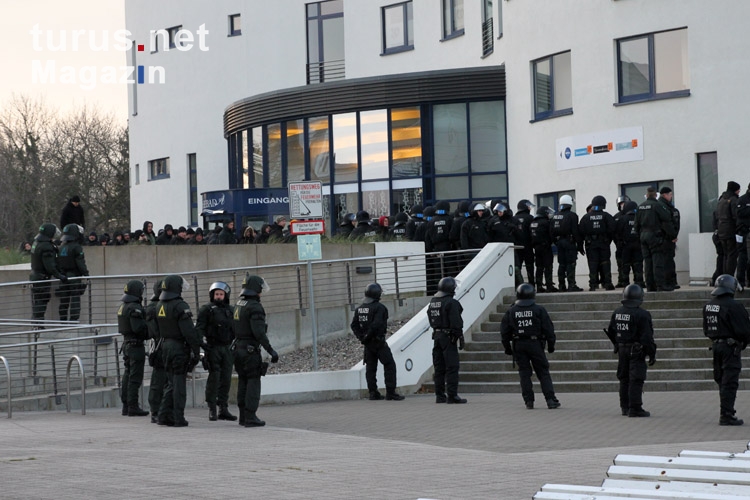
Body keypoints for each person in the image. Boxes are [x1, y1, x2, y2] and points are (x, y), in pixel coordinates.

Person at [500, 283, 560, 409]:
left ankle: (529, 401)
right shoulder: (539, 310)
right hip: (535, 344)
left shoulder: (511, 311)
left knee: (524, 373)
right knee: (543, 371)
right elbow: (549, 329)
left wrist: (507, 348)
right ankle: (550, 399)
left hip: (519, 344)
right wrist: (551, 345)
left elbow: (504, 331)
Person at [702, 274, 750, 426]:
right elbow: (745, 331)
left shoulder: (709, 305)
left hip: (716, 346)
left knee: (721, 380)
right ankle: (727, 414)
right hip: (730, 348)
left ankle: (726, 410)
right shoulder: (734, 306)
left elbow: (706, 329)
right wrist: (742, 343)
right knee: (729, 381)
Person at [233, 274, 279, 427]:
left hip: (238, 348)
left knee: (242, 381)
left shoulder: (239, 304)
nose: (261, 292)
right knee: (253, 381)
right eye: (260, 288)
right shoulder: (254, 307)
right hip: (250, 351)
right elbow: (259, 333)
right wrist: (271, 350)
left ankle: (242, 416)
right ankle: (251, 416)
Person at [156, 274, 202, 427]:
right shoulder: (180, 306)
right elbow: (189, 331)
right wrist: (196, 350)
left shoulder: (159, 305)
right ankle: (178, 417)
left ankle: (163, 415)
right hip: (178, 347)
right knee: (179, 383)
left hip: (165, 346)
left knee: (170, 382)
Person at [605, 284, 656, 417]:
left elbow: (612, 331)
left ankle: (625, 407)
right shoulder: (642, 314)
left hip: (622, 349)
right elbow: (647, 337)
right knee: (636, 379)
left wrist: (617, 344)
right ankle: (635, 408)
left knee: (624, 378)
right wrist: (651, 353)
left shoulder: (617, 312)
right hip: (636, 350)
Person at [350, 283, 405, 401]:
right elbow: (377, 324)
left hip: (368, 344)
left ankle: (373, 393)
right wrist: (368, 336)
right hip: (378, 342)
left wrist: (362, 338)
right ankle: (390, 392)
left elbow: (354, 325)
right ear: (377, 294)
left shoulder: (360, 309)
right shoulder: (380, 308)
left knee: (371, 368)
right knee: (389, 365)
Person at [196, 282, 237, 421]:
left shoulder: (231, 310)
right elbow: (200, 328)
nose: (219, 296)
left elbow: (236, 328)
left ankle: (223, 408)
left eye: (221, 294)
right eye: (216, 294)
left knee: (226, 378)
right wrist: (202, 344)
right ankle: (212, 408)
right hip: (213, 347)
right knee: (214, 378)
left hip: (227, 348)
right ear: (212, 295)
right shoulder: (206, 309)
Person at [427, 276, 467, 404]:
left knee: (439, 368)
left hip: (437, 336)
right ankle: (452, 395)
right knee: (452, 366)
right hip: (448, 337)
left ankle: (439, 395)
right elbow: (456, 322)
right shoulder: (451, 302)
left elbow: (430, 317)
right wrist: (459, 336)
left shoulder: (433, 301)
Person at [118, 280, 150, 417]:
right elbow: (138, 328)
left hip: (126, 344)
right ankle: (133, 406)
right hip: (135, 346)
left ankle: (126, 405)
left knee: (127, 375)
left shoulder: (123, 306)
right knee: (135, 377)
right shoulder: (135, 307)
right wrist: (151, 331)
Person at [634, 186, 674, 291]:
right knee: (657, 261)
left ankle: (650, 285)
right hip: (655, 236)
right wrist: (672, 236)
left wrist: (640, 236)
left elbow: (636, 225)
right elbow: (667, 219)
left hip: (643, 236)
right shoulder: (657, 206)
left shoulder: (640, 206)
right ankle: (660, 285)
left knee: (647, 263)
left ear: (647, 195)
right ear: (656, 195)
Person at [29, 223, 68, 322]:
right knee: (41, 301)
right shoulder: (46, 246)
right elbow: (50, 265)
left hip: (35, 275)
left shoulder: (36, 242)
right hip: (42, 278)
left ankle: (37, 322)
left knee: (37, 301)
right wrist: (60, 276)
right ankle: (38, 324)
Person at [578, 195, 616, 291]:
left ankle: (593, 285)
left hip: (590, 244)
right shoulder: (606, 216)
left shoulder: (586, 217)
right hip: (603, 243)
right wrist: (608, 240)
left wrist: (580, 246)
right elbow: (613, 229)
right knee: (605, 263)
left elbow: (580, 232)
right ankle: (607, 283)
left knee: (592, 263)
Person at [550, 194, 584, 292]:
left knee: (561, 264)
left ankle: (561, 285)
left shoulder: (555, 216)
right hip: (569, 242)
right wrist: (580, 246)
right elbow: (575, 232)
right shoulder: (572, 216)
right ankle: (571, 285)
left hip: (559, 243)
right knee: (570, 263)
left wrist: (556, 242)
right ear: (569, 203)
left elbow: (551, 231)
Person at [56, 224, 89, 322]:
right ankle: (73, 320)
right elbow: (80, 263)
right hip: (74, 277)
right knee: (75, 299)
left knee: (64, 300)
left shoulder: (61, 247)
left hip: (63, 277)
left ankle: (63, 320)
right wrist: (86, 274)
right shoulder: (76, 247)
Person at [145, 279, 167, 423]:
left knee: (163, 380)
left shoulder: (157, 306)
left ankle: (160, 409)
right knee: (159, 380)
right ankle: (155, 410)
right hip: (160, 346)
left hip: (162, 345)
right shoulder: (155, 307)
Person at [616, 201, 644, 288]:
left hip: (626, 245)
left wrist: (619, 243)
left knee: (625, 265)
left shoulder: (622, 218)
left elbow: (618, 232)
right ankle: (639, 281)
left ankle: (625, 282)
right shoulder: (640, 218)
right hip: (638, 244)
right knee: (638, 264)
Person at [530, 206, 558, 292]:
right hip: (546, 247)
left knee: (539, 267)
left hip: (536, 248)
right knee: (548, 266)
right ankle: (549, 285)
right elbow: (551, 234)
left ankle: (539, 286)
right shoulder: (546, 222)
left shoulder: (532, 223)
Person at [717, 181, 741, 277]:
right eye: (738, 190)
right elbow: (736, 216)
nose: (739, 192)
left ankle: (724, 276)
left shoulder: (721, 199)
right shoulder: (733, 199)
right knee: (732, 255)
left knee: (725, 255)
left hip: (721, 231)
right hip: (731, 231)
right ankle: (729, 277)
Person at [658, 187, 681, 289]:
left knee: (669, 260)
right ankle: (668, 281)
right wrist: (672, 236)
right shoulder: (662, 207)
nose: (671, 196)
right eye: (670, 194)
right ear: (664, 195)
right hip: (665, 239)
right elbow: (666, 224)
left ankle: (672, 281)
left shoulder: (669, 207)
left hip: (669, 238)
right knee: (667, 261)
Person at [513, 199, 536, 287]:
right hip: (528, 246)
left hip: (517, 247)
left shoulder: (514, 219)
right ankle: (531, 285)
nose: (530, 208)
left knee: (517, 267)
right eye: (529, 207)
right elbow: (533, 233)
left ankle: (519, 285)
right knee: (530, 266)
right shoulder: (530, 218)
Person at [613, 195, 631, 288]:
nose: (622, 205)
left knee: (635, 264)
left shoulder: (632, 215)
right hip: (620, 245)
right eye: (621, 204)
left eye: (624, 204)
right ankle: (622, 280)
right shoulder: (616, 217)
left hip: (631, 244)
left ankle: (639, 280)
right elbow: (614, 231)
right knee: (621, 264)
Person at [735, 182, 750, 288]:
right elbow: (739, 213)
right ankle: (741, 280)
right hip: (744, 232)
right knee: (743, 256)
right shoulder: (743, 199)